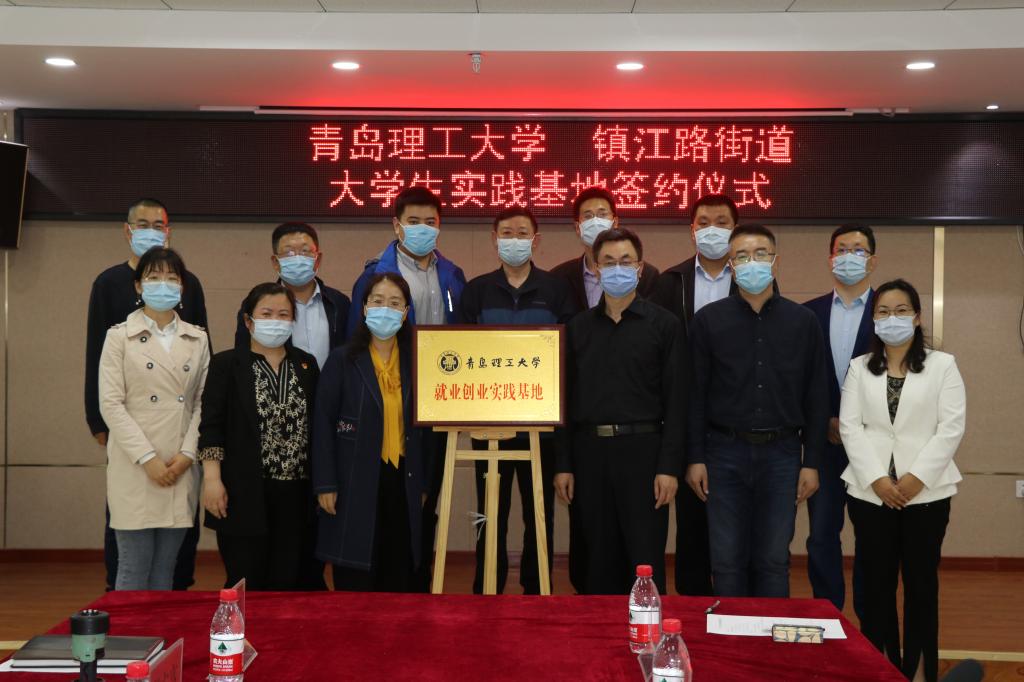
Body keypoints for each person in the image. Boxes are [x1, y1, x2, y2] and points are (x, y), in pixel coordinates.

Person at [686, 224, 827, 598]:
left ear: (775, 261)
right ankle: (731, 633)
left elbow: (816, 396)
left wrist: (811, 461)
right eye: (742, 256)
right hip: (723, 453)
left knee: (773, 560)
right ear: (731, 266)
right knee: (726, 560)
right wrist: (695, 458)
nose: (753, 263)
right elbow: (695, 394)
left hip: (782, 454)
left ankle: (769, 633)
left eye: (761, 254)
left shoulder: (803, 322)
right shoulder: (708, 321)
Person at [840, 278, 965, 682]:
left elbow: (951, 428)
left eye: (900, 311)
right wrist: (878, 479)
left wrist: (916, 478)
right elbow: (850, 428)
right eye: (883, 311)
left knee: (921, 587)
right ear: (873, 319)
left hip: (926, 496)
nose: (891, 318)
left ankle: (919, 671)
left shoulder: (943, 365)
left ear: (917, 317)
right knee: (876, 588)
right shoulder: (860, 367)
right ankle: (881, 669)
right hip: (870, 495)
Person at [85, 198, 209, 591]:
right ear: (138, 286)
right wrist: (149, 459)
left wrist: (187, 455)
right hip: (136, 462)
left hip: (180, 462)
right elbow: (110, 402)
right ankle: (129, 636)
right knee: (132, 570)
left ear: (183, 287)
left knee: (167, 572)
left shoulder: (197, 338)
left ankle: (161, 635)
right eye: (154, 278)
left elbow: (203, 401)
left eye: (172, 278)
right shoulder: (118, 336)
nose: (164, 285)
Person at [347, 187, 466, 591]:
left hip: (439, 400)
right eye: (413, 222)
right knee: (383, 493)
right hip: (390, 395)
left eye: (430, 222)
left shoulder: (452, 275)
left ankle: (417, 582)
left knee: (426, 494)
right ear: (396, 225)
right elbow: (355, 343)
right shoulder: (372, 277)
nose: (422, 229)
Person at [554, 228, 685, 595]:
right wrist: (563, 464)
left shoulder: (665, 325)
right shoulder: (577, 328)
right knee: (595, 557)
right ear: (596, 268)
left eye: (625, 261)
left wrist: (669, 468)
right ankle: (597, 628)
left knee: (644, 555)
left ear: (640, 268)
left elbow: (677, 401)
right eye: (608, 262)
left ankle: (644, 625)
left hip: (644, 454)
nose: (617, 269)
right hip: (589, 454)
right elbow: (563, 402)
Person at [458, 207, 577, 594]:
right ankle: (486, 585)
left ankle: (537, 586)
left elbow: (568, 354)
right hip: (488, 423)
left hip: (541, 425)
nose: (514, 240)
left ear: (535, 240)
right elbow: (461, 355)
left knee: (538, 511)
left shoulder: (556, 290)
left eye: (522, 233)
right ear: (494, 240)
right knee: (489, 511)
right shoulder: (476, 290)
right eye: (506, 233)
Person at [313, 273, 431, 592]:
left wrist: (424, 482)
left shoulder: (417, 361)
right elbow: (322, 423)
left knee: (401, 568)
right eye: (377, 301)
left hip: (403, 476)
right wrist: (325, 484)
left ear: (405, 312)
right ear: (365, 308)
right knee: (356, 571)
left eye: (394, 303)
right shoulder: (342, 359)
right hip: (354, 476)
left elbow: (428, 431)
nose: (385, 309)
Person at [199, 283, 321, 590]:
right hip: (243, 492)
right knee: (246, 580)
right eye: (266, 314)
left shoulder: (306, 364)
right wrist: (212, 479)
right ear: (248, 320)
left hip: (296, 495)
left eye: (283, 314)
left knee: (291, 582)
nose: (275, 321)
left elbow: (318, 426)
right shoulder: (226, 365)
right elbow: (211, 426)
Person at [650, 193, 740, 597]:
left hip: (737, 418)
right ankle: (692, 605)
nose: (712, 230)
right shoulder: (671, 281)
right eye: (704, 222)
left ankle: (735, 607)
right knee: (692, 523)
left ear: (734, 230)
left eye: (721, 222)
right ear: (692, 230)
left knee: (735, 524)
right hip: (687, 415)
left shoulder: (752, 279)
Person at [803, 224, 878, 615]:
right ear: (831, 259)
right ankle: (827, 613)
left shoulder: (889, 311)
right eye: (842, 249)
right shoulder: (807, 313)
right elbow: (799, 380)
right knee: (821, 536)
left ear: (872, 261)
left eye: (858, 250)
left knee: (871, 538)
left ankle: (869, 618)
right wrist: (824, 421)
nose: (849, 257)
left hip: (873, 446)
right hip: (824, 444)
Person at [234, 222, 350, 370]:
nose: (298, 259)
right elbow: (242, 355)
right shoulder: (256, 304)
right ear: (276, 262)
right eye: (288, 253)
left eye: (305, 251)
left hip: (330, 384)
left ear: (317, 259)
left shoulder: (339, 303)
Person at [551, 186, 660, 311]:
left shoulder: (645, 275)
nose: (595, 222)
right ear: (577, 227)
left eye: (602, 215)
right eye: (588, 216)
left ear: (615, 222)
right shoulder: (559, 277)